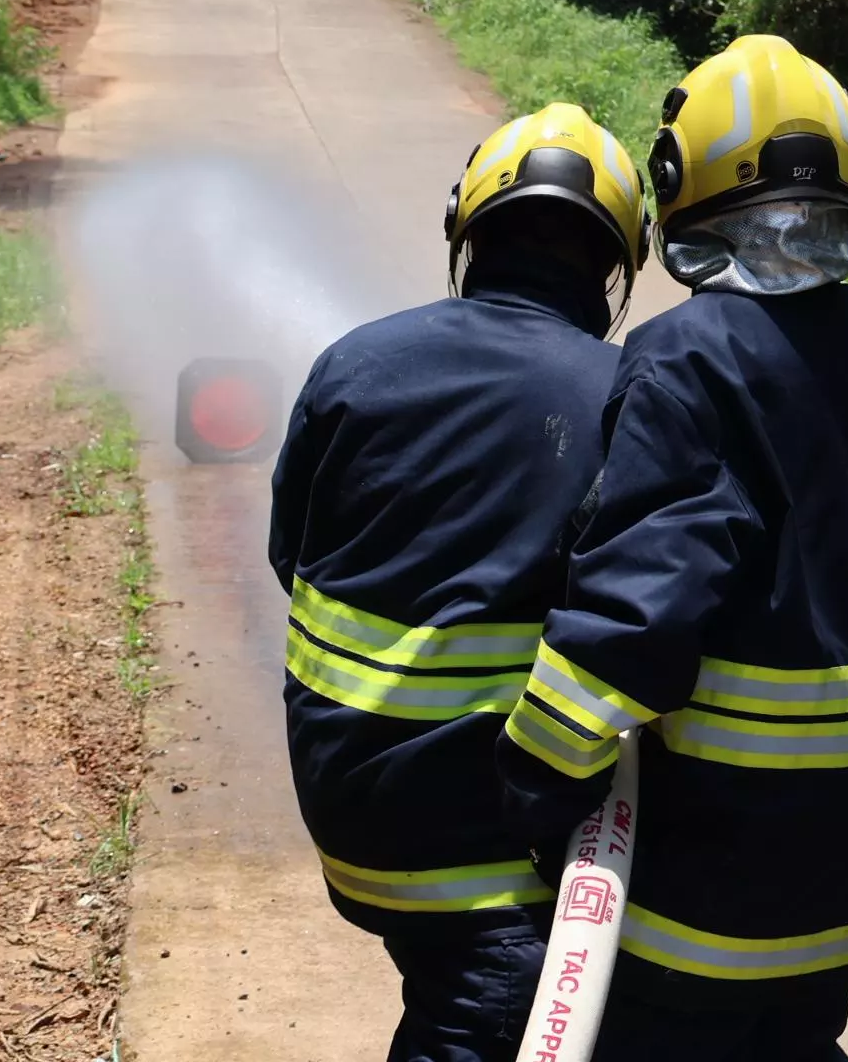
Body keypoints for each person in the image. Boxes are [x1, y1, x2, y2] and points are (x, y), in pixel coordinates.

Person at [497, 35, 848, 1060]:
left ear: (679, 185)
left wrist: (532, 781)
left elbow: (638, 615)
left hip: (705, 897)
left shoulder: (688, 360)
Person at [269, 103, 650, 1062]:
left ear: (467, 234)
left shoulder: (352, 362)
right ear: (614, 269)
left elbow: (290, 554)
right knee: (493, 1008)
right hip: (482, 845)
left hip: (345, 801)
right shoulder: (623, 397)